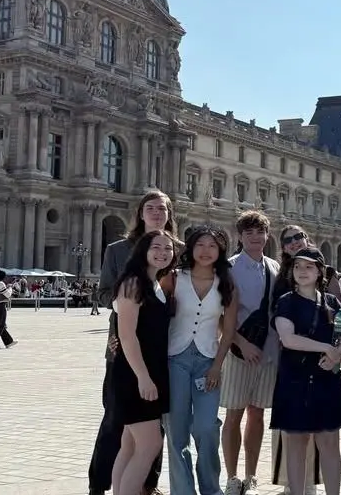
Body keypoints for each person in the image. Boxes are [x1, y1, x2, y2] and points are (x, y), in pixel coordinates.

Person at [89, 189, 175, 495]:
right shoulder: (121, 255)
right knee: (120, 429)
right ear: (140, 213)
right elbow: (104, 296)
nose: (155, 213)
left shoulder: (170, 259)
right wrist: (125, 304)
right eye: (150, 208)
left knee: (133, 439)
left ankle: (145, 486)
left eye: (161, 209)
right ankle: (99, 485)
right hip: (126, 355)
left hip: (155, 357)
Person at [270, 246, 341, 495]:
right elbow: (288, 339)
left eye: (309, 267)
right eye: (297, 266)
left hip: (325, 378)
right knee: (296, 443)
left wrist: (336, 354)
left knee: (329, 443)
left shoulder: (330, 301)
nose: (302, 271)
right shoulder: (286, 302)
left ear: (320, 272)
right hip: (295, 379)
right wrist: (327, 347)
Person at [165, 226, 239, 495]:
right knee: (176, 431)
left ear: (220, 251)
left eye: (212, 245)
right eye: (200, 244)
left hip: (208, 360)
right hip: (175, 359)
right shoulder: (174, 278)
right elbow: (153, 313)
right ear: (191, 248)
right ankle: (183, 491)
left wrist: (217, 367)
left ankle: (211, 488)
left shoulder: (227, 283)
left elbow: (229, 331)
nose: (206, 250)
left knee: (207, 428)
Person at [110, 230, 178, 495]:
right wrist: (143, 377)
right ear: (143, 250)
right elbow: (126, 336)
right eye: (157, 247)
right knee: (149, 446)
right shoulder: (133, 283)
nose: (163, 253)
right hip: (135, 374)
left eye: (168, 249)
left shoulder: (155, 283)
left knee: (130, 446)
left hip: (148, 371)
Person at [222, 210, 284, 495]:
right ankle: (232, 476)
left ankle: (251, 475)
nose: (255, 237)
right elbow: (218, 314)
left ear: (267, 235)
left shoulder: (275, 267)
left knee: (257, 415)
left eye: (260, 232)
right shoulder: (229, 268)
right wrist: (241, 343)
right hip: (238, 351)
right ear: (240, 236)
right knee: (234, 414)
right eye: (249, 233)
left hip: (268, 351)